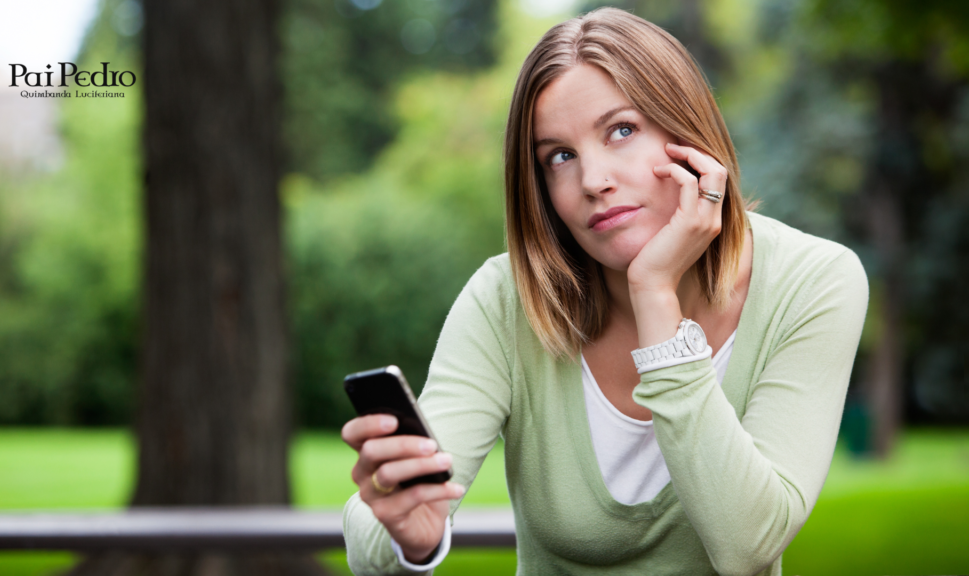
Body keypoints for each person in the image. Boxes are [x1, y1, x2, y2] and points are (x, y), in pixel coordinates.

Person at [341, 7, 869, 576]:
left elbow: (747, 545)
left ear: (687, 131)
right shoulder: (506, 300)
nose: (593, 181)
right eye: (560, 156)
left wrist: (654, 294)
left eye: (621, 130)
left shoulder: (813, 282)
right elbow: (375, 536)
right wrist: (407, 537)